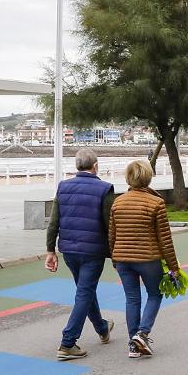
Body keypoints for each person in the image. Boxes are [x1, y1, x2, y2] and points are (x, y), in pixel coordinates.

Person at [46, 148, 115, 360]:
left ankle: (102, 328)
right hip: (93, 251)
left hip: (69, 250)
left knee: (86, 290)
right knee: (84, 292)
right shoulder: (104, 189)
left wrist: (50, 250)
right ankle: (68, 342)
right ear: (95, 166)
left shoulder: (63, 187)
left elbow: (54, 221)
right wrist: (115, 255)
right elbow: (110, 225)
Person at [109, 160, 181, 359]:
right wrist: (174, 267)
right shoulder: (156, 203)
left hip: (123, 258)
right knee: (155, 294)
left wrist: (115, 259)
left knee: (132, 299)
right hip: (148, 259)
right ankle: (142, 334)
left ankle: (134, 344)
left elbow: (112, 235)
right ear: (148, 178)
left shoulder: (118, 202)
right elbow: (164, 239)